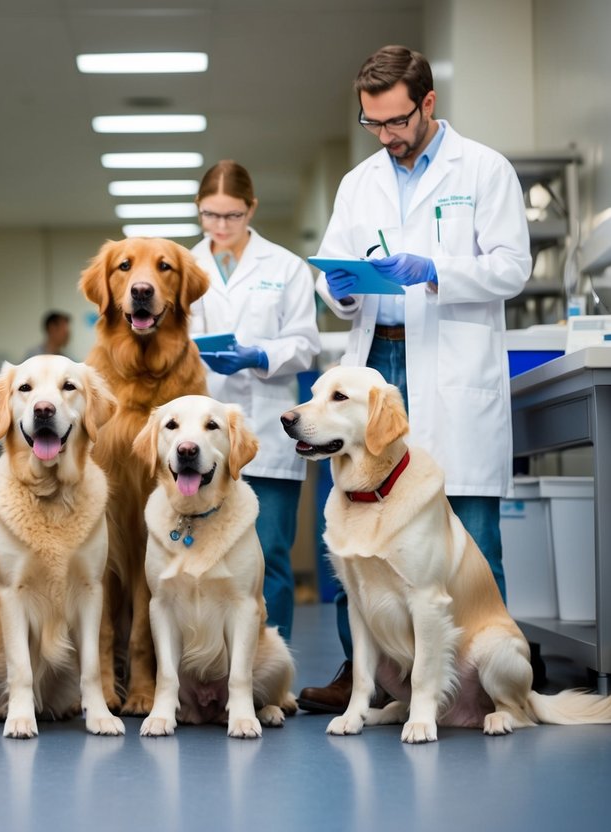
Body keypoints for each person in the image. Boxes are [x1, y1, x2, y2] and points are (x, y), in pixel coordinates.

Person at [301, 45, 530, 712]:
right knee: (357, 530)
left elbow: (511, 267)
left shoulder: (483, 170)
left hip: (451, 367)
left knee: (471, 536)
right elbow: (334, 276)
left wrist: (432, 269)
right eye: (372, 123)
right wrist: (337, 288)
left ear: (428, 103)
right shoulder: (357, 182)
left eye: (396, 121)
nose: (386, 136)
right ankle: (366, 676)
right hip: (377, 365)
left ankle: (482, 690)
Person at [187, 160, 321, 642]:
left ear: (252, 209)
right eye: (210, 215)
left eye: (233, 216)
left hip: (266, 429)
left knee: (269, 557)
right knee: (203, 561)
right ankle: (212, 667)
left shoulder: (285, 267)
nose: (221, 227)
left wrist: (258, 355)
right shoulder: (184, 265)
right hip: (200, 436)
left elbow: (307, 342)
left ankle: (270, 671)